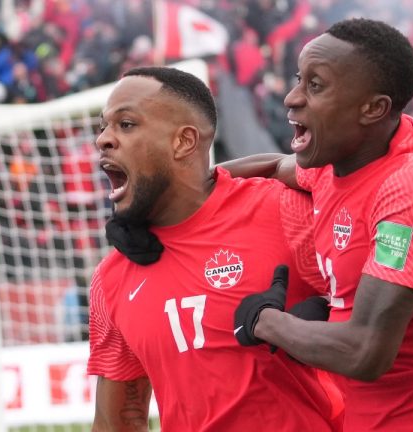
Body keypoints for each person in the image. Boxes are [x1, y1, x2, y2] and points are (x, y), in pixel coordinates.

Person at [223, 18, 413, 430]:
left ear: (374, 108)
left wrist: (266, 322)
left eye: (315, 85)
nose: (291, 98)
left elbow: (365, 353)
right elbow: (272, 166)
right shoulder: (334, 162)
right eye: (298, 80)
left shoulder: (410, 186)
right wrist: (175, 203)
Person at [87, 66, 343, 431]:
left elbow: (390, 327)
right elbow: (117, 423)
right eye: (103, 127)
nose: (104, 140)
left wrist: (324, 323)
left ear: (184, 141)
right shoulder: (111, 279)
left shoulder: (284, 211)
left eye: (125, 125)